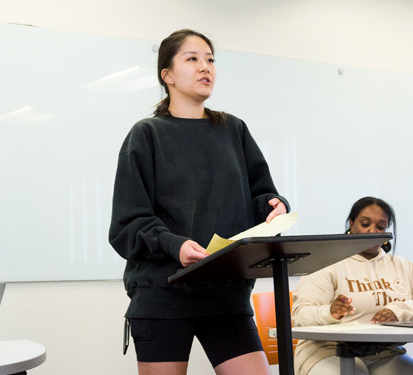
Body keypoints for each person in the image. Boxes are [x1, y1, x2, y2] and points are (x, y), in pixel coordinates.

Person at [109, 29, 289, 375]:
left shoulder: (233, 130)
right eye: (192, 59)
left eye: (210, 60)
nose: (205, 67)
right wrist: (175, 246)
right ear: (168, 75)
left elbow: (259, 197)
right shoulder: (146, 135)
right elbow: (126, 226)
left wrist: (274, 206)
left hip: (226, 296)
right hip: (163, 295)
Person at [291, 197, 413, 375]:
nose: (372, 231)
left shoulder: (404, 266)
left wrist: (399, 310)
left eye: (381, 226)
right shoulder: (326, 263)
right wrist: (329, 313)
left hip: (384, 353)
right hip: (327, 352)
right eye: (365, 224)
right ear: (351, 224)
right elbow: (300, 315)